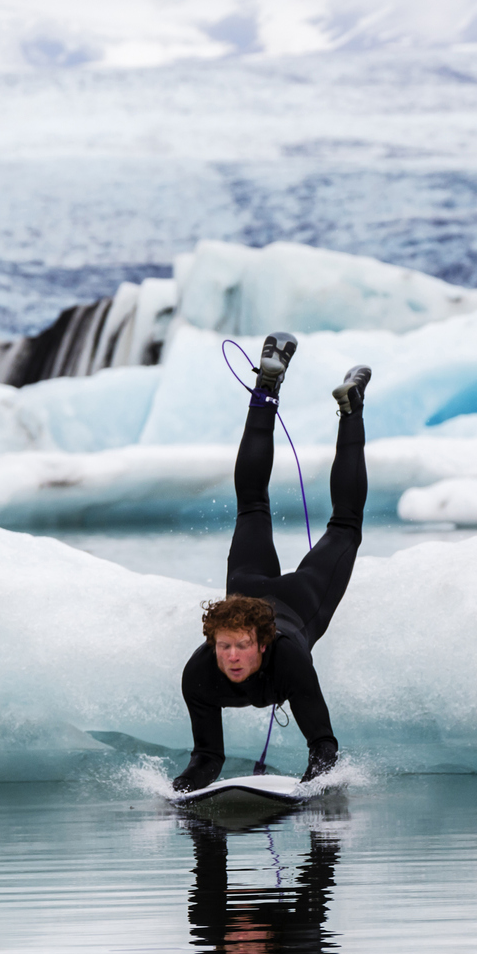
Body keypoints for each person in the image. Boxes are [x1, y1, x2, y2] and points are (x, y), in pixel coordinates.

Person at [173, 333, 370, 792]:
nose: (232, 657)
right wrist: (181, 791)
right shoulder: (199, 674)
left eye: (241, 646)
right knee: (251, 505)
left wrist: (308, 792)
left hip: (298, 603)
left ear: (262, 643)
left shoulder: (289, 660)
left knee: (344, 526)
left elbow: (323, 746)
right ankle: (266, 385)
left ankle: (349, 408)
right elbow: (207, 758)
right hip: (245, 590)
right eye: (224, 647)